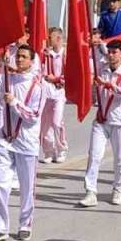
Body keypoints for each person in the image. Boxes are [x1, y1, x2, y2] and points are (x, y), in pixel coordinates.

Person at [0, 44, 44, 241]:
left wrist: (14, 103)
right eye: (18, 56)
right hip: (5, 140)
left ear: (31, 61)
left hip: (26, 143)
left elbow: (33, 116)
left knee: (27, 188)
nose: (19, 60)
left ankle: (25, 224)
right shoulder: (7, 79)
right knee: (0, 185)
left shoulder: (38, 86)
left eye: (24, 57)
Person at [78, 39, 121, 207]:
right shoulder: (102, 69)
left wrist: (108, 85)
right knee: (95, 155)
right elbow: (97, 53)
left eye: (114, 52)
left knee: (119, 158)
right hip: (101, 119)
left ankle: (118, 189)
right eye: (109, 52)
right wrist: (97, 43)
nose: (110, 55)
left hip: (119, 121)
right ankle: (90, 191)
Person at [39, 28, 68, 164]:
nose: (48, 39)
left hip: (59, 92)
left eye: (50, 37)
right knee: (45, 123)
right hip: (46, 90)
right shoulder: (45, 54)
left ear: (58, 38)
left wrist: (56, 79)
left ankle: (61, 148)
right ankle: (48, 151)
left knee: (57, 122)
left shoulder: (66, 54)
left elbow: (69, 75)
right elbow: (40, 72)